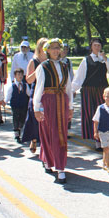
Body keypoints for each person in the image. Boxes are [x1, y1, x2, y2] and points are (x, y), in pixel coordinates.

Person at [33, 39, 73, 184]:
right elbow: (39, 88)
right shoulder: (43, 67)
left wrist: (71, 107)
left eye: (58, 48)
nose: (56, 51)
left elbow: (68, 87)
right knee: (48, 132)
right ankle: (48, 160)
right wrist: (36, 108)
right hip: (48, 101)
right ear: (47, 51)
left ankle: (60, 167)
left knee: (60, 133)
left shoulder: (64, 66)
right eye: (53, 48)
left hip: (62, 100)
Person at [72, 37, 109, 150]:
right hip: (89, 91)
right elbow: (79, 77)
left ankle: (104, 138)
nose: (97, 47)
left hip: (102, 91)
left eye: (99, 45)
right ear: (91, 47)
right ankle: (97, 140)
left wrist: (106, 59)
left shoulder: (105, 60)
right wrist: (72, 90)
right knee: (92, 115)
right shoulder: (86, 60)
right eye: (95, 45)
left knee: (104, 115)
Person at [21, 37, 47, 153]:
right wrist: (37, 72)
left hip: (48, 92)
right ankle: (34, 139)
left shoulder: (51, 61)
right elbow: (29, 80)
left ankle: (46, 143)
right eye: (44, 46)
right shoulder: (34, 61)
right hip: (36, 91)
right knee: (35, 117)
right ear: (40, 48)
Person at [5, 69, 30, 143]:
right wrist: (5, 102)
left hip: (23, 105)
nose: (20, 76)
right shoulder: (12, 86)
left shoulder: (25, 85)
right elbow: (8, 95)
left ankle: (20, 128)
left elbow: (29, 93)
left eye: (21, 75)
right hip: (15, 105)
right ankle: (16, 133)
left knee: (23, 118)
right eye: (18, 75)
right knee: (16, 118)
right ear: (15, 76)